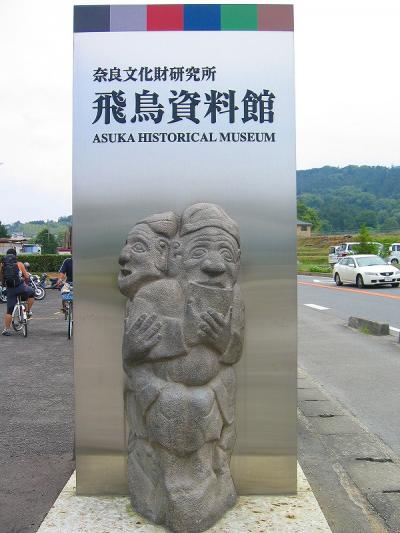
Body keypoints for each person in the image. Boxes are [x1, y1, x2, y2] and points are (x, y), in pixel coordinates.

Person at [0, 248, 35, 336]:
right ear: (15, 256)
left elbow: (1, 277)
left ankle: (6, 330)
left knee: (9, 310)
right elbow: (26, 276)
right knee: (32, 292)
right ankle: (28, 311)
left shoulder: (2, 265)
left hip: (10, 289)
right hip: (21, 288)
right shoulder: (19, 264)